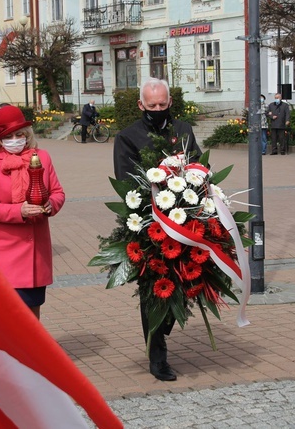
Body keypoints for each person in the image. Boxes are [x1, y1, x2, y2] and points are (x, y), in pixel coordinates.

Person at [113, 77, 201, 382]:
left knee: (186, 278)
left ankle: (164, 326)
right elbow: (126, 183)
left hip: (185, 218)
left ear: (170, 103)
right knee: (154, 287)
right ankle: (157, 354)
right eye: (152, 105)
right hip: (148, 222)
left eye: (163, 104)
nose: (158, 109)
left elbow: (198, 167)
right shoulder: (127, 137)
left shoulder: (183, 130)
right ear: (141, 105)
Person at [0, 106, 65, 319]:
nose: (15, 140)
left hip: (35, 248)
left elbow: (58, 192)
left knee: (33, 314)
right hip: (3, 249)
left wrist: (50, 205)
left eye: (20, 135)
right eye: (9, 136)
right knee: (7, 315)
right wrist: (20, 211)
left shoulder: (42, 157)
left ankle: (32, 353)